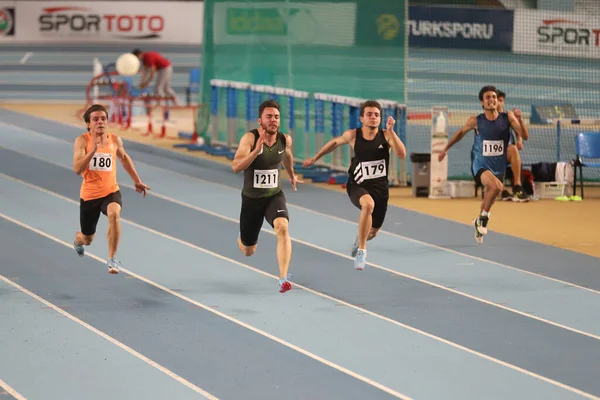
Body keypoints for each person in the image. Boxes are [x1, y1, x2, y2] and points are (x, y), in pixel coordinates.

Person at [303, 100, 406, 270]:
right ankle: (362, 251)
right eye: (369, 114)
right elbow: (334, 143)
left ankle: (361, 239)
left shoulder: (386, 136)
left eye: (376, 115)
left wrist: (392, 131)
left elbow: (401, 154)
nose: (373, 118)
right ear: (361, 119)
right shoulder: (353, 135)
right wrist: (315, 158)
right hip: (357, 185)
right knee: (368, 205)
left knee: (372, 232)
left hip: (380, 189)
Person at [438, 85, 528, 244]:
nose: (492, 100)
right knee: (497, 187)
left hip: (498, 166)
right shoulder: (476, 120)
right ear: (482, 102)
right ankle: (484, 219)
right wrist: (445, 149)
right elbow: (460, 134)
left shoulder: (508, 117)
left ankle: (479, 223)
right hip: (480, 165)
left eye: (494, 97)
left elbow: (525, 136)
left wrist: (520, 120)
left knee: (490, 197)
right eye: (488, 97)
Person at [232, 99, 302, 293]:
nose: (273, 120)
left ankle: (283, 277)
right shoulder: (249, 139)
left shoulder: (284, 139)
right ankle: (243, 237)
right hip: (252, 199)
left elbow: (286, 155)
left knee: (283, 228)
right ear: (260, 121)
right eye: (269, 116)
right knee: (248, 250)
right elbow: (236, 167)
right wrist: (256, 152)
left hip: (274, 195)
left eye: (276, 117)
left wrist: (291, 174)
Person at [72, 104, 150, 273]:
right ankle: (78, 240)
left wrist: (137, 180)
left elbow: (124, 158)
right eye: (95, 119)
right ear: (88, 124)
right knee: (87, 239)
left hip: (110, 191)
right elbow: (77, 168)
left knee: (114, 214)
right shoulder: (82, 141)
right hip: (90, 196)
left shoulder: (115, 140)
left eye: (103, 119)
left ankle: (112, 259)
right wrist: (92, 150)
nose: (100, 122)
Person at [496, 90, 530, 202]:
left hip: (507, 151)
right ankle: (502, 190)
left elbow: (519, 131)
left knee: (514, 149)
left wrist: (519, 140)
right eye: (497, 100)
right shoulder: (487, 117)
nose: (498, 103)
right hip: (493, 153)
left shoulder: (508, 116)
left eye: (501, 100)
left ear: (503, 102)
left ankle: (517, 187)